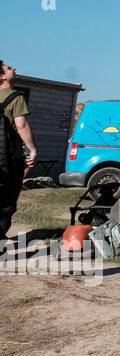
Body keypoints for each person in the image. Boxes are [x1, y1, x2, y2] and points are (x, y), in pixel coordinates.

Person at [0, 60, 38, 243]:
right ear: (1, 77)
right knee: (7, 200)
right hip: (8, 158)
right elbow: (21, 125)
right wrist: (32, 150)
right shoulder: (15, 97)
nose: (13, 68)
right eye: (8, 68)